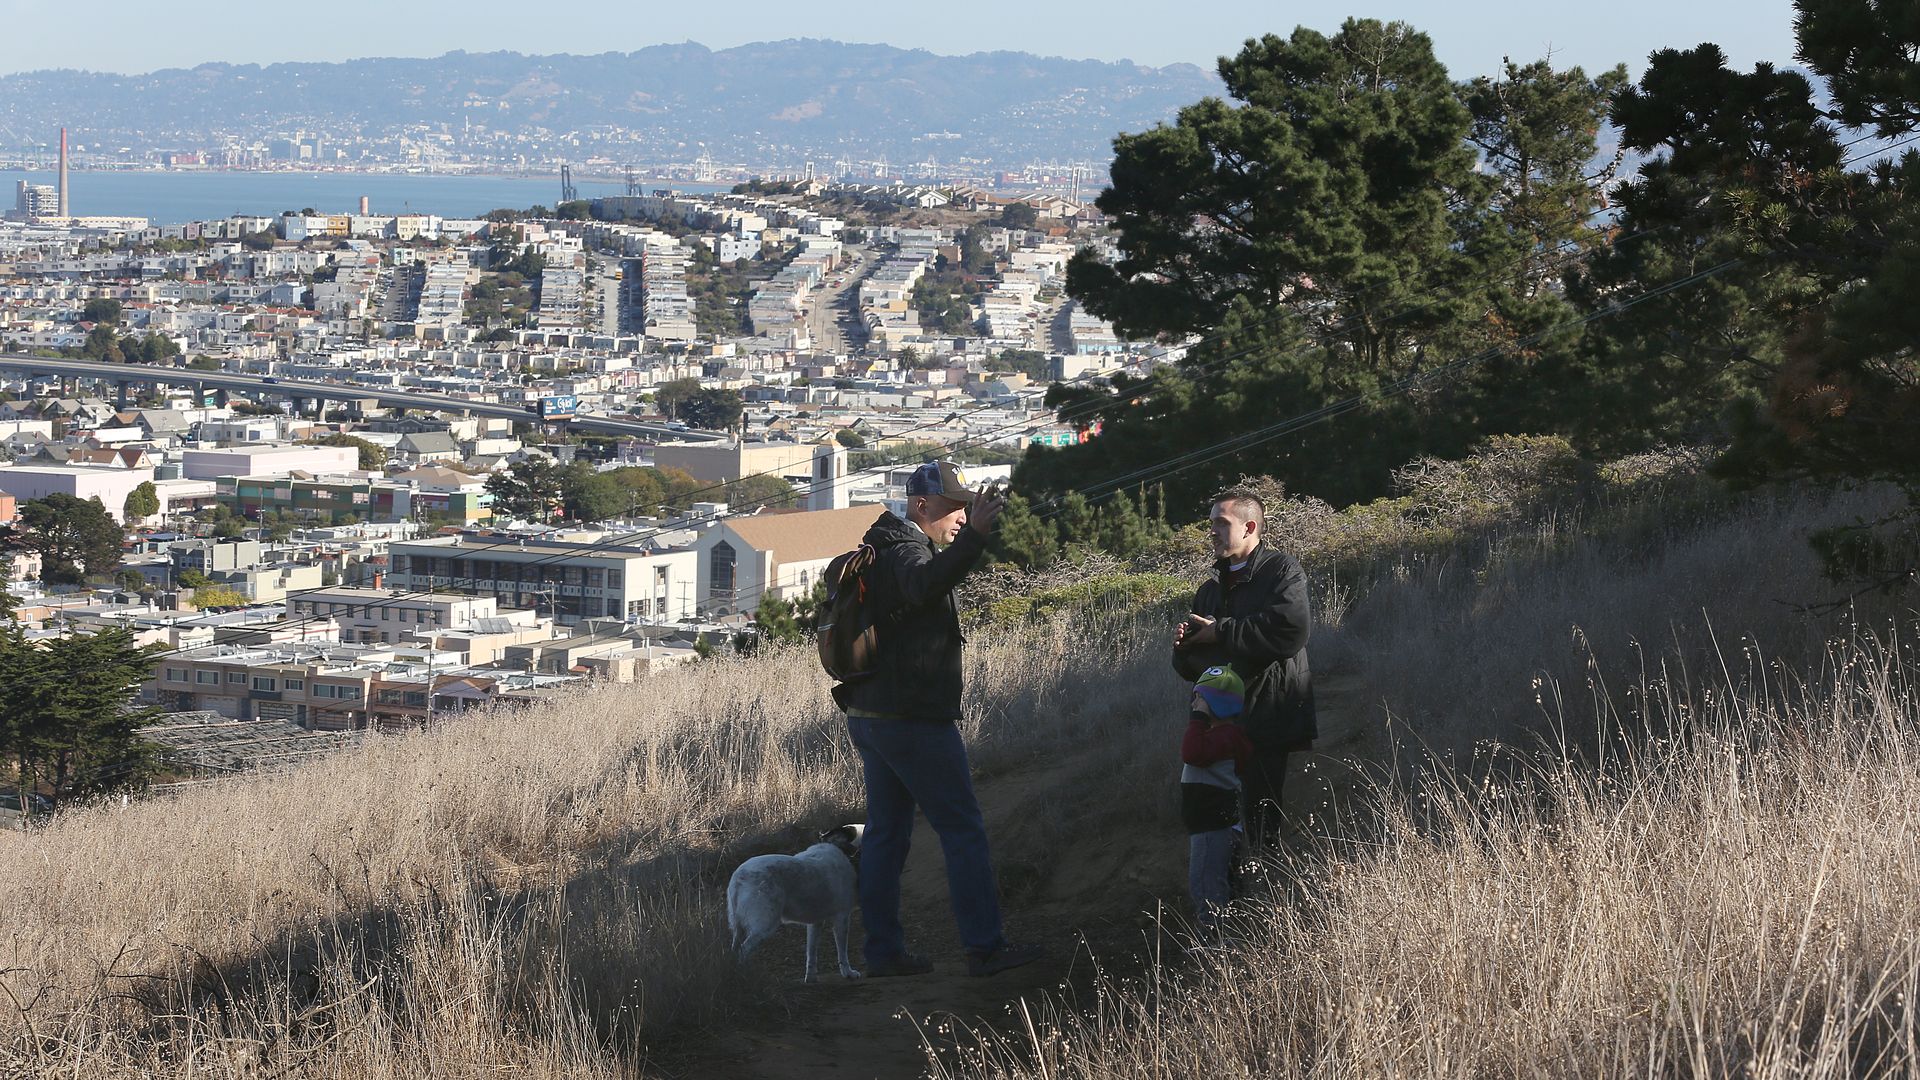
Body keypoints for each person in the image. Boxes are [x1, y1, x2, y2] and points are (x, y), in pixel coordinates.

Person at [833, 460, 1045, 978]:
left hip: (872, 712)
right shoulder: (906, 550)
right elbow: (926, 584)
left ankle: (882, 953)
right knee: (963, 829)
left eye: (965, 508)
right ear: (921, 505)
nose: (960, 516)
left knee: (886, 833)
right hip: (912, 718)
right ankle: (985, 947)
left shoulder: (879, 548)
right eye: (954, 508)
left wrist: (964, 538)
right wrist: (973, 540)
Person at [1171, 485, 1316, 853]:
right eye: (1211, 524)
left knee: (1261, 819)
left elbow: (1291, 630)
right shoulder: (1210, 589)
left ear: (1249, 528)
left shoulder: (1282, 571)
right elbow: (1196, 669)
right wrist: (1185, 647)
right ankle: (1226, 900)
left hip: (1266, 716)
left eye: (1221, 523)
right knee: (1215, 822)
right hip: (1217, 725)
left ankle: (1267, 897)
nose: (1213, 532)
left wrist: (1219, 631)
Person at [1182, 664, 1254, 939]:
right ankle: (1229, 940)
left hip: (1213, 826)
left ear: (1216, 704)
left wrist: (1197, 721)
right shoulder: (1226, 737)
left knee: (1205, 884)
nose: (1194, 703)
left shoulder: (1223, 737)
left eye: (1200, 698)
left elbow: (1191, 753)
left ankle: (1215, 945)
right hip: (1218, 825)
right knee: (1221, 883)